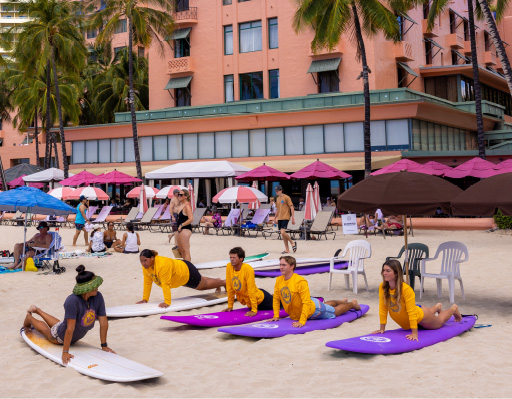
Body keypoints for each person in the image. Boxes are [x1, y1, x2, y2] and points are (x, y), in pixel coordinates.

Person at [22, 265, 114, 365]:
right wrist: (65, 352)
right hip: (60, 337)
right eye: (94, 285)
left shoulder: (98, 296)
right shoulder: (72, 301)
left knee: (60, 325)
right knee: (50, 333)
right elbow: (69, 329)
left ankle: (37, 310)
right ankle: (30, 318)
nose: (97, 287)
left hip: (65, 328)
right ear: (87, 287)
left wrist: (104, 345)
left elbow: (104, 322)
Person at [372, 260, 462, 341]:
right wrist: (382, 328)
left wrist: (414, 333)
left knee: (439, 322)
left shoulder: (406, 289)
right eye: (383, 270)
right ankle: (437, 307)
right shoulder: (383, 287)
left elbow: (411, 312)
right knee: (425, 314)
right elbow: (383, 308)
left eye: (388, 271)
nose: (384, 273)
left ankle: (453, 309)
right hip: (415, 312)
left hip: (420, 315)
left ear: (396, 274)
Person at [270, 256, 360, 327]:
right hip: (305, 306)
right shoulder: (279, 280)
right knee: (325, 306)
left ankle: (353, 304)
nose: (281, 267)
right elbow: (276, 299)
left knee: (335, 312)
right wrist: (276, 315)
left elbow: (306, 303)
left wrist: (301, 321)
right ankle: (342, 301)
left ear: (292, 266)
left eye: (284, 265)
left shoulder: (300, 281)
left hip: (313, 310)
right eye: (280, 265)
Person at [137, 249, 226, 308]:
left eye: (145, 260)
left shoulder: (162, 265)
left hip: (186, 273)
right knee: (202, 280)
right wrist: (145, 299)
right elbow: (147, 282)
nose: (143, 263)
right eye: (141, 261)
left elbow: (165, 284)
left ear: (152, 258)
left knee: (203, 286)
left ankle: (223, 282)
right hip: (180, 274)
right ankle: (217, 282)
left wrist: (167, 302)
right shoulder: (147, 267)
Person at [222, 247, 274, 316]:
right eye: (230, 257)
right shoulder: (229, 267)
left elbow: (251, 290)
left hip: (262, 300)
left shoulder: (248, 269)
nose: (231, 259)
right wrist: (230, 306)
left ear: (241, 259)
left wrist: (254, 310)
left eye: (234, 257)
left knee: (282, 305)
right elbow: (230, 287)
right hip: (251, 302)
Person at [273, 185, 296, 254]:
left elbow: (292, 207)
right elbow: (277, 209)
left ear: (281, 190)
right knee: (283, 234)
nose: (276, 192)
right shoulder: (277, 199)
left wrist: (293, 218)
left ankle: (292, 243)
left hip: (286, 217)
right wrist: (275, 217)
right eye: (276, 191)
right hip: (279, 217)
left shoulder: (286, 197)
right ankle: (287, 249)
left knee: (283, 232)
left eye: (277, 191)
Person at [175, 188, 193, 261]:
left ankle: (188, 267)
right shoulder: (181, 205)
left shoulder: (187, 205)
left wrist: (182, 225)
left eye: (181, 195)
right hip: (180, 230)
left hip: (186, 229)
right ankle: (185, 266)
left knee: (185, 250)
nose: (179, 196)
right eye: (178, 194)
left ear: (185, 196)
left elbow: (191, 219)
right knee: (181, 250)